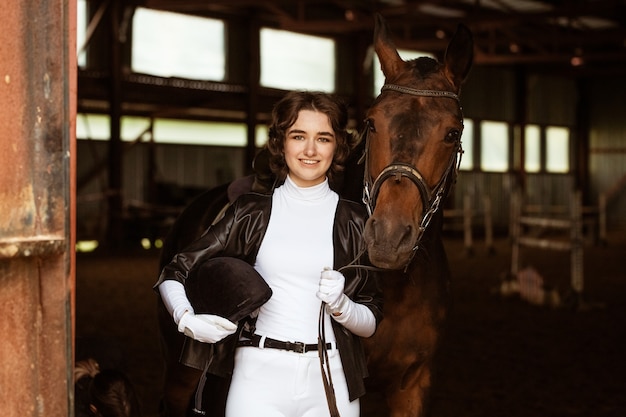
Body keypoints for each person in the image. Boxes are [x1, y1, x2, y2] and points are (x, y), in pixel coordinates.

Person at [155, 90, 384, 417]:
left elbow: (372, 317)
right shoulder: (250, 212)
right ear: (280, 143)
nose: (309, 150)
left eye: (323, 138)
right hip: (258, 378)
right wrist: (186, 319)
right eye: (298, 136)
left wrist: (344, 307)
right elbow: (175, 271)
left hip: (330, 378)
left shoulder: (357, 221)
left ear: (338, 146)